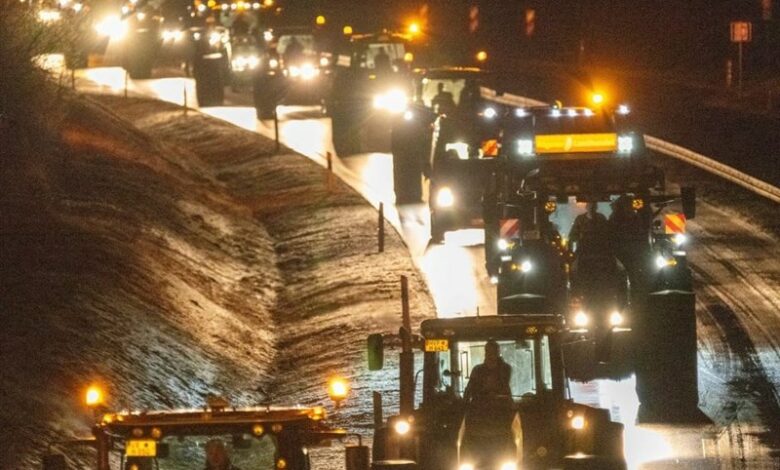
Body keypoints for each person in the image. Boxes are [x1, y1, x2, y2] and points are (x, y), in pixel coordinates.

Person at [463, 340, 512, 404]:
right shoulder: (477, 370)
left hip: (500, 407)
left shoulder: (504, 369)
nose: (490, 355)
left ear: (498, 353)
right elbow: (469, 390)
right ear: (485, 353)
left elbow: (505, 388)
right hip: (480, 408)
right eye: (488, 352)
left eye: (493, 352)